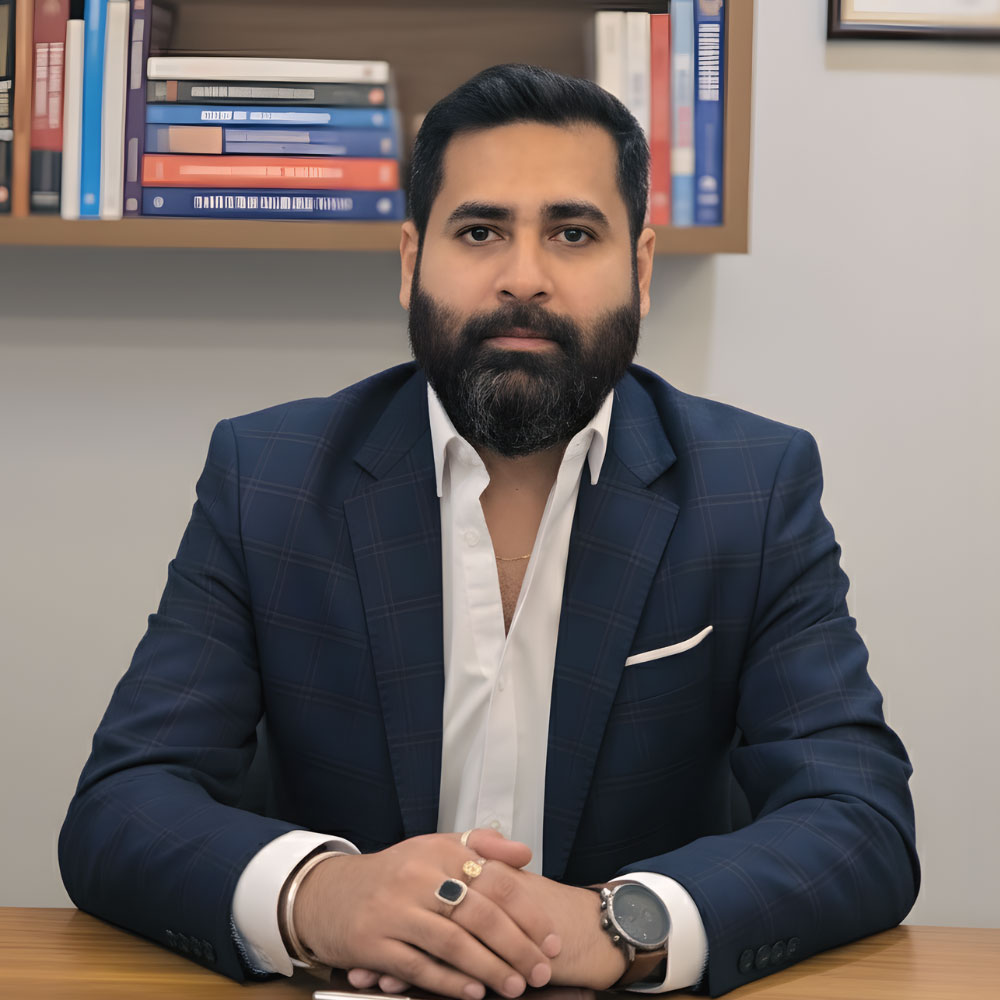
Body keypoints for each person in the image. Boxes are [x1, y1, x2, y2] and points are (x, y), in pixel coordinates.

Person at [59, 64, 918, 999]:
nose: (524, 278)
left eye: (573, 233)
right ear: (410, 261)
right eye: (480, 231)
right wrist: (320, 894)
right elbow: (123, 803)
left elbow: (860, 817)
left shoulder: (753, 487)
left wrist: (617, 924)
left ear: (639, 269)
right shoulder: (267, 477)